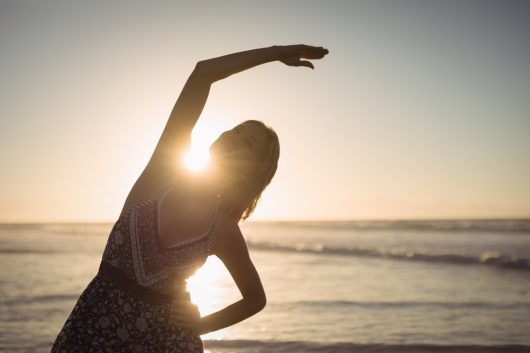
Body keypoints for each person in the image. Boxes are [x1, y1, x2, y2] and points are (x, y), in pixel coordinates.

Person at [51, 44, 328, 353]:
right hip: (91, 328)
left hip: (166, 341)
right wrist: (276, 53)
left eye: (247, 142)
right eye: (236, 130)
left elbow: (255, 298)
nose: (233, 137)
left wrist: (201, 325)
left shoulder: (221, 229)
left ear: (252, 172)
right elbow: (202, 74)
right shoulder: (163, 172)